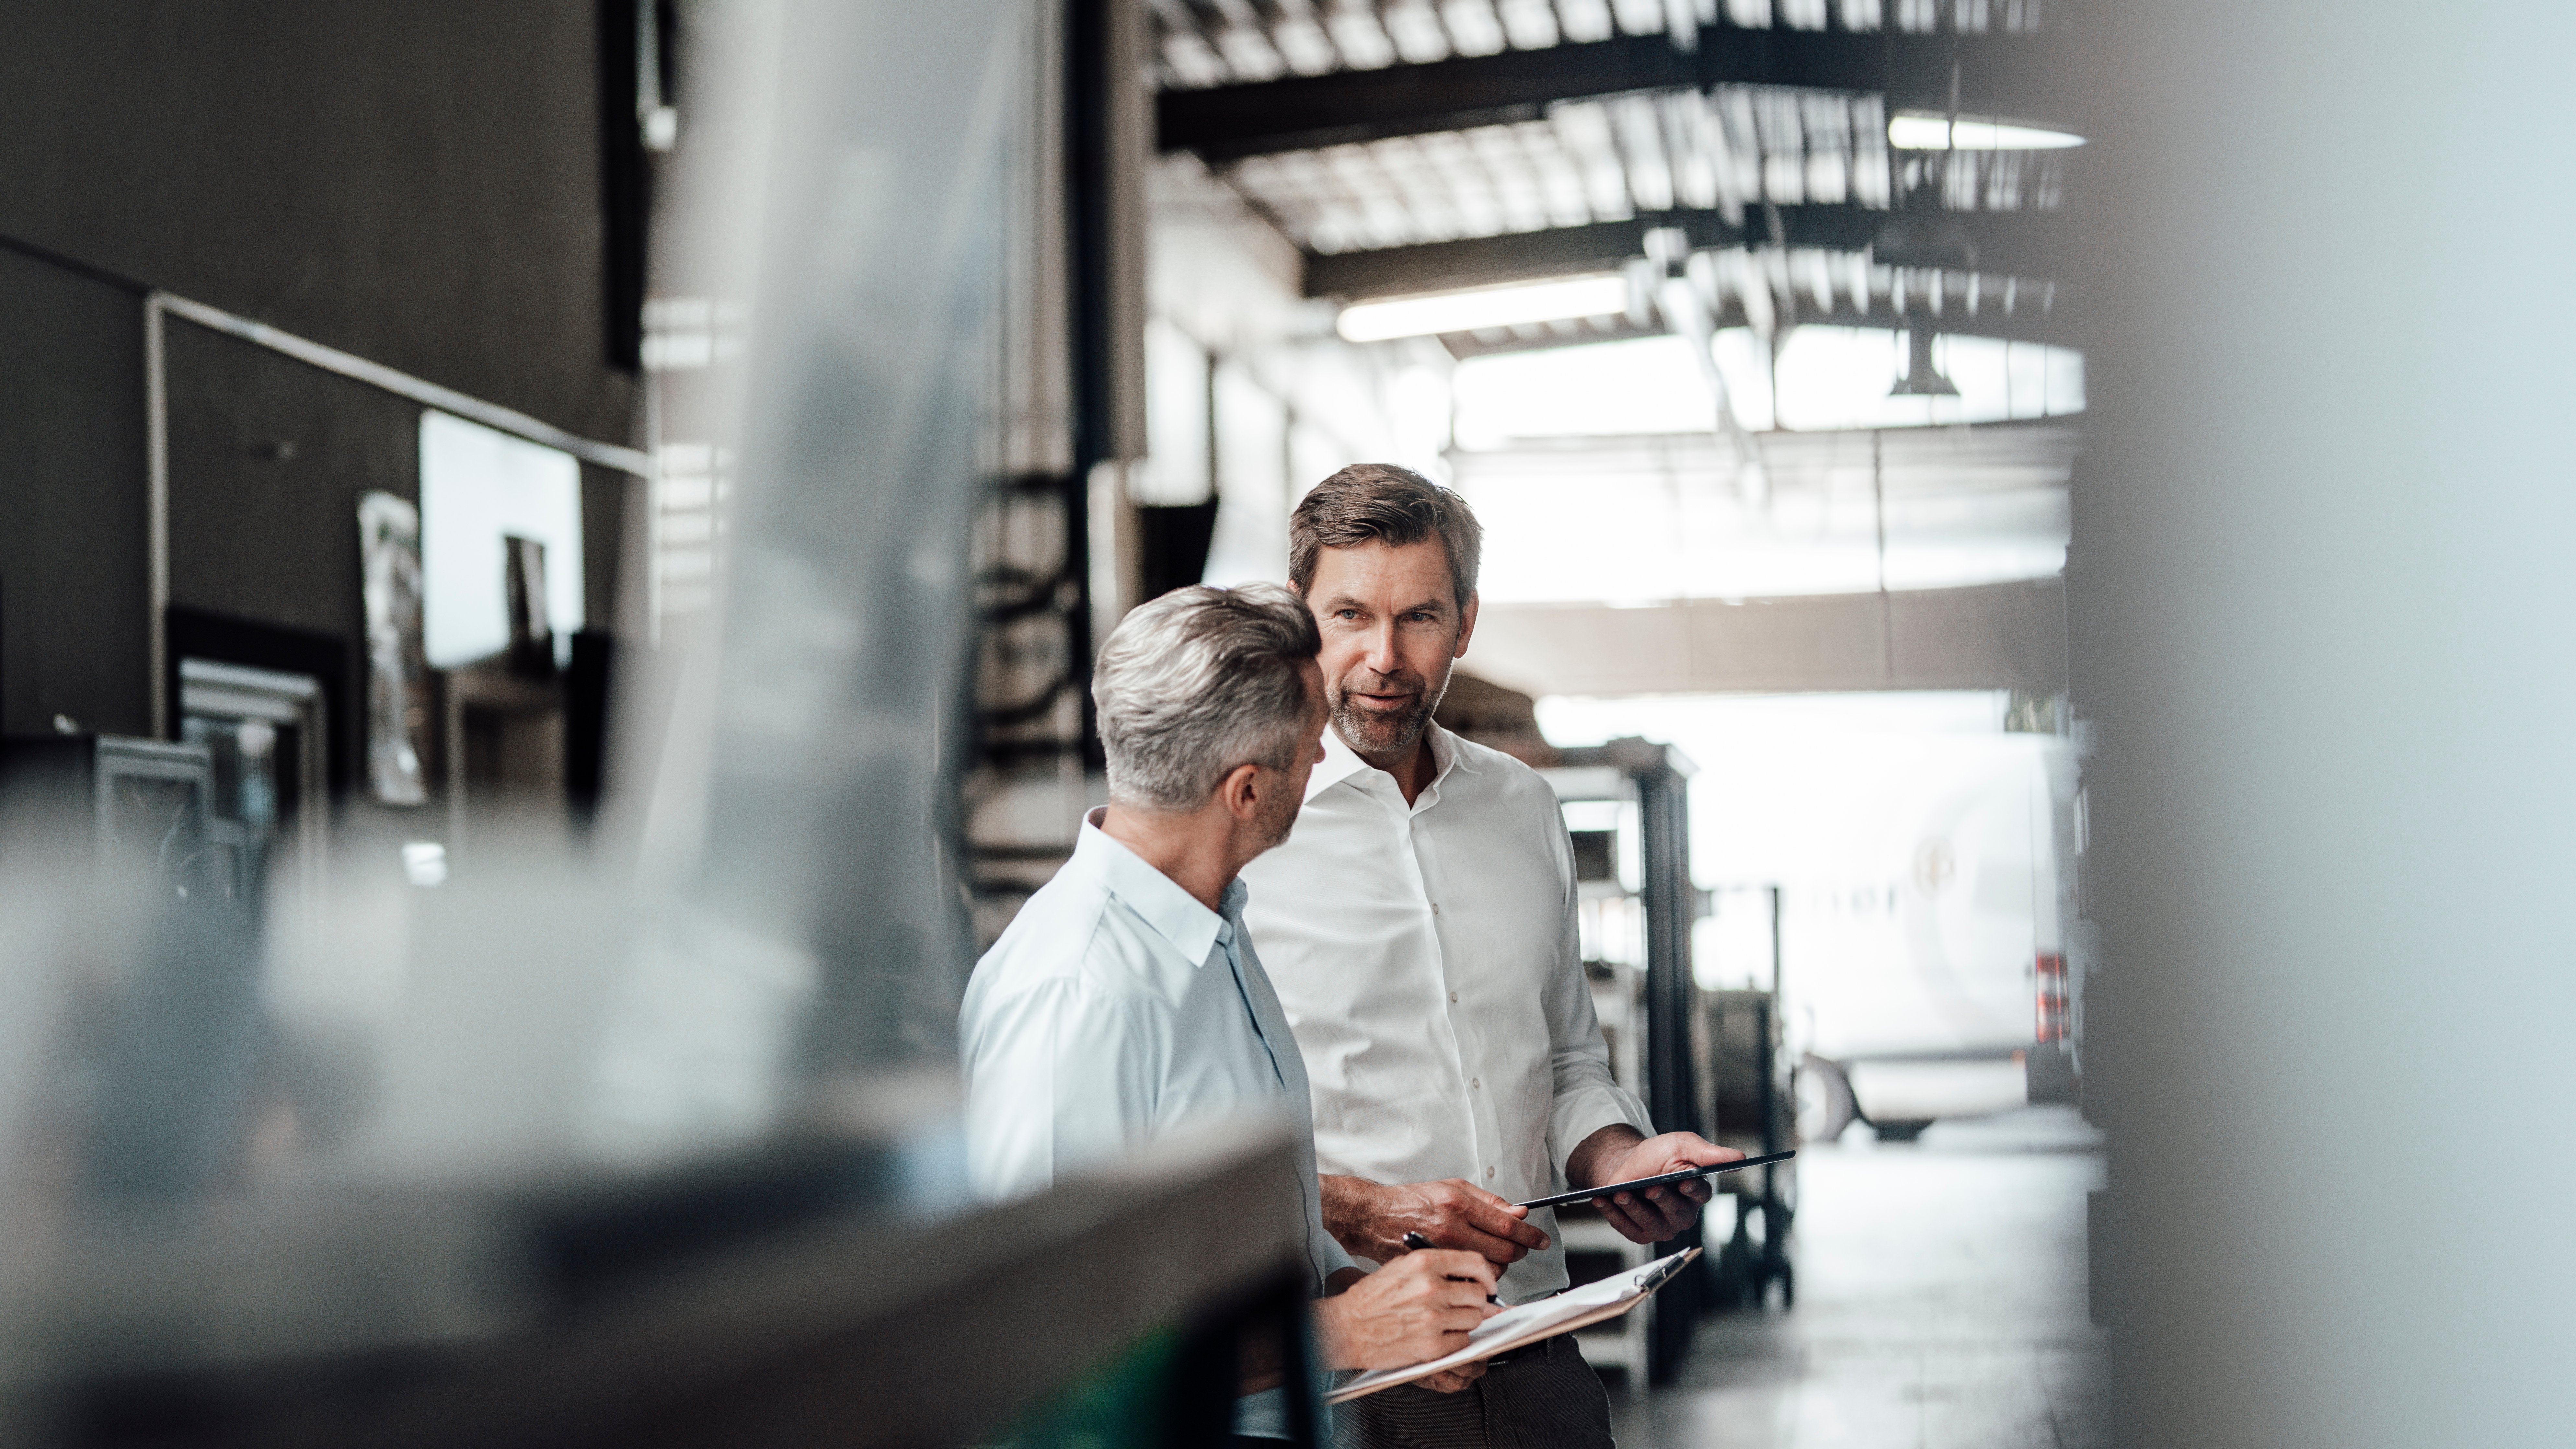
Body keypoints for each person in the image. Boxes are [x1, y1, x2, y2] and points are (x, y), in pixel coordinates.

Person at [1238, 465, 1743, 1448]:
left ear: (1466, 622)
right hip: (1353, 1372)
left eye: (1419, 617)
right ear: (1302, 619)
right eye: (1350, 614)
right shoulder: (1252, 824)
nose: (1383, 657)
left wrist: (1619, 1158)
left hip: (1539, 1346)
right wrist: (1356, 1209)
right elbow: (1208, 1121)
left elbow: (1564, 1058)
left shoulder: (1524, 808)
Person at [960, 582, 1501, 1444]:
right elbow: (1049, 1347)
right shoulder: (1077, 993)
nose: (1322, 761)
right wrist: (1349, 1332)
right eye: (1308, 744)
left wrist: (1382, 1301)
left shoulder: (1215, 928)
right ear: (1246, 791)